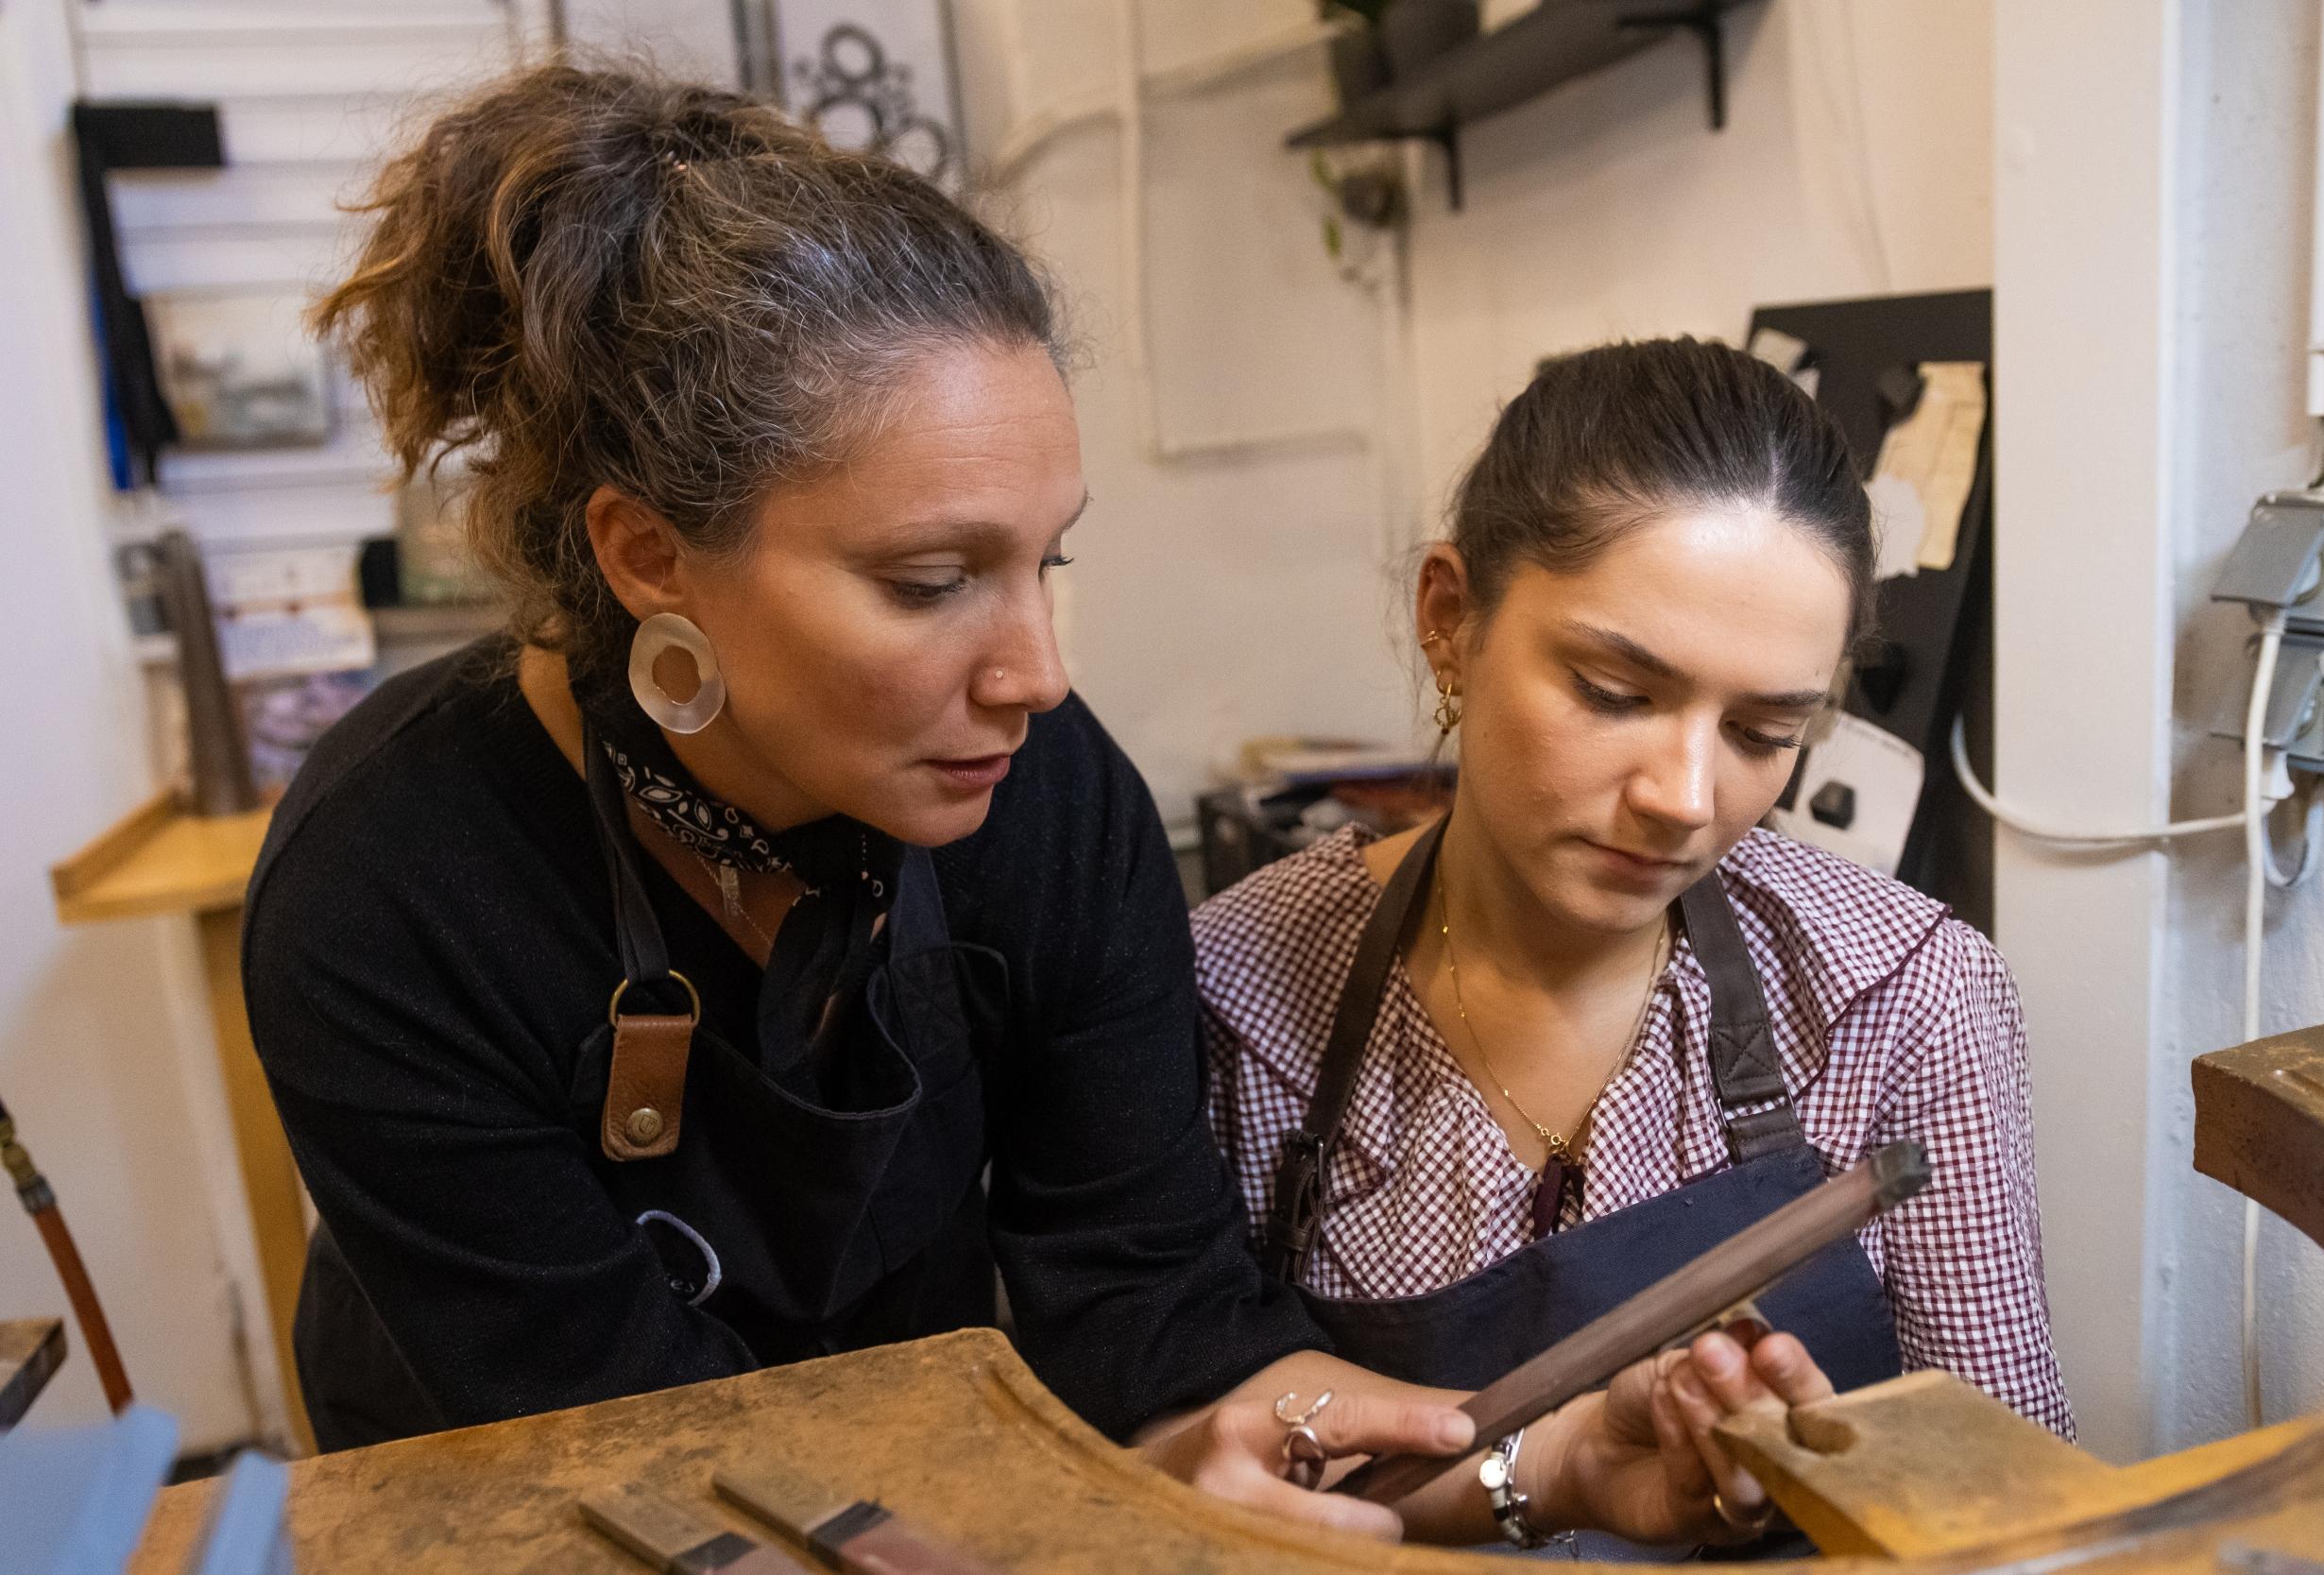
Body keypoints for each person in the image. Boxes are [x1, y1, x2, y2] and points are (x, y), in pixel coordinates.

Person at [244, 65, 1823, 1546]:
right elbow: (633, 1465)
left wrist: (1536, 1461)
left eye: (1042, 560)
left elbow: (1158, 1311)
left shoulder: (1047, 808)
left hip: (926, 1488)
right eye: (930, 581)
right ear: (651, 556)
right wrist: (1114, 1524)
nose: (1037, 674)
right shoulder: (389, 884)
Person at [1198, 337, 2073, 1547]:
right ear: (1450, 620)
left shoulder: (1902, 991)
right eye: (1615, 691)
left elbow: (2012, 1505)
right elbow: (1165, 1460)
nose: (1684, 794)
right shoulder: (1229, 988)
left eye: (1766, 730)